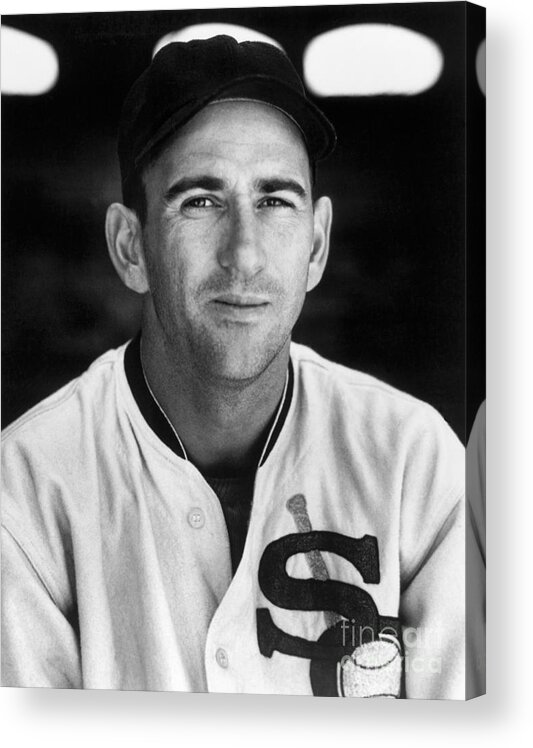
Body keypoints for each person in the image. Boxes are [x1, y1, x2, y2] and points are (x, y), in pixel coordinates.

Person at [1, 36, 468, 698]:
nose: (243, 254)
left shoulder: (416, 464)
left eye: (275, 199)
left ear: (316, 243)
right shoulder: (23, 490)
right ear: (129, 246)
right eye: (200, 199)